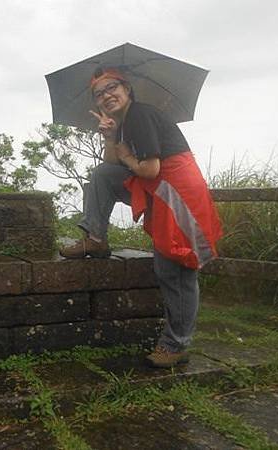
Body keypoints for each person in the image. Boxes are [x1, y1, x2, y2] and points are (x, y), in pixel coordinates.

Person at [59, 68, 222, 368]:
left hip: (177, 193)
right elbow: (112, 165)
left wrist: (127, 156)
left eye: (112, 88)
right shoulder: (123, 124)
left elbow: (149, 169)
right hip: (158, 189)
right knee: (103, 175)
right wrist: (110, 137)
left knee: (175, 268)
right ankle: (95, 238)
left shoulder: (140, 115)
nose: (107, 95)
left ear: (127, 89)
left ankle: (176, 345)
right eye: (99, 93)